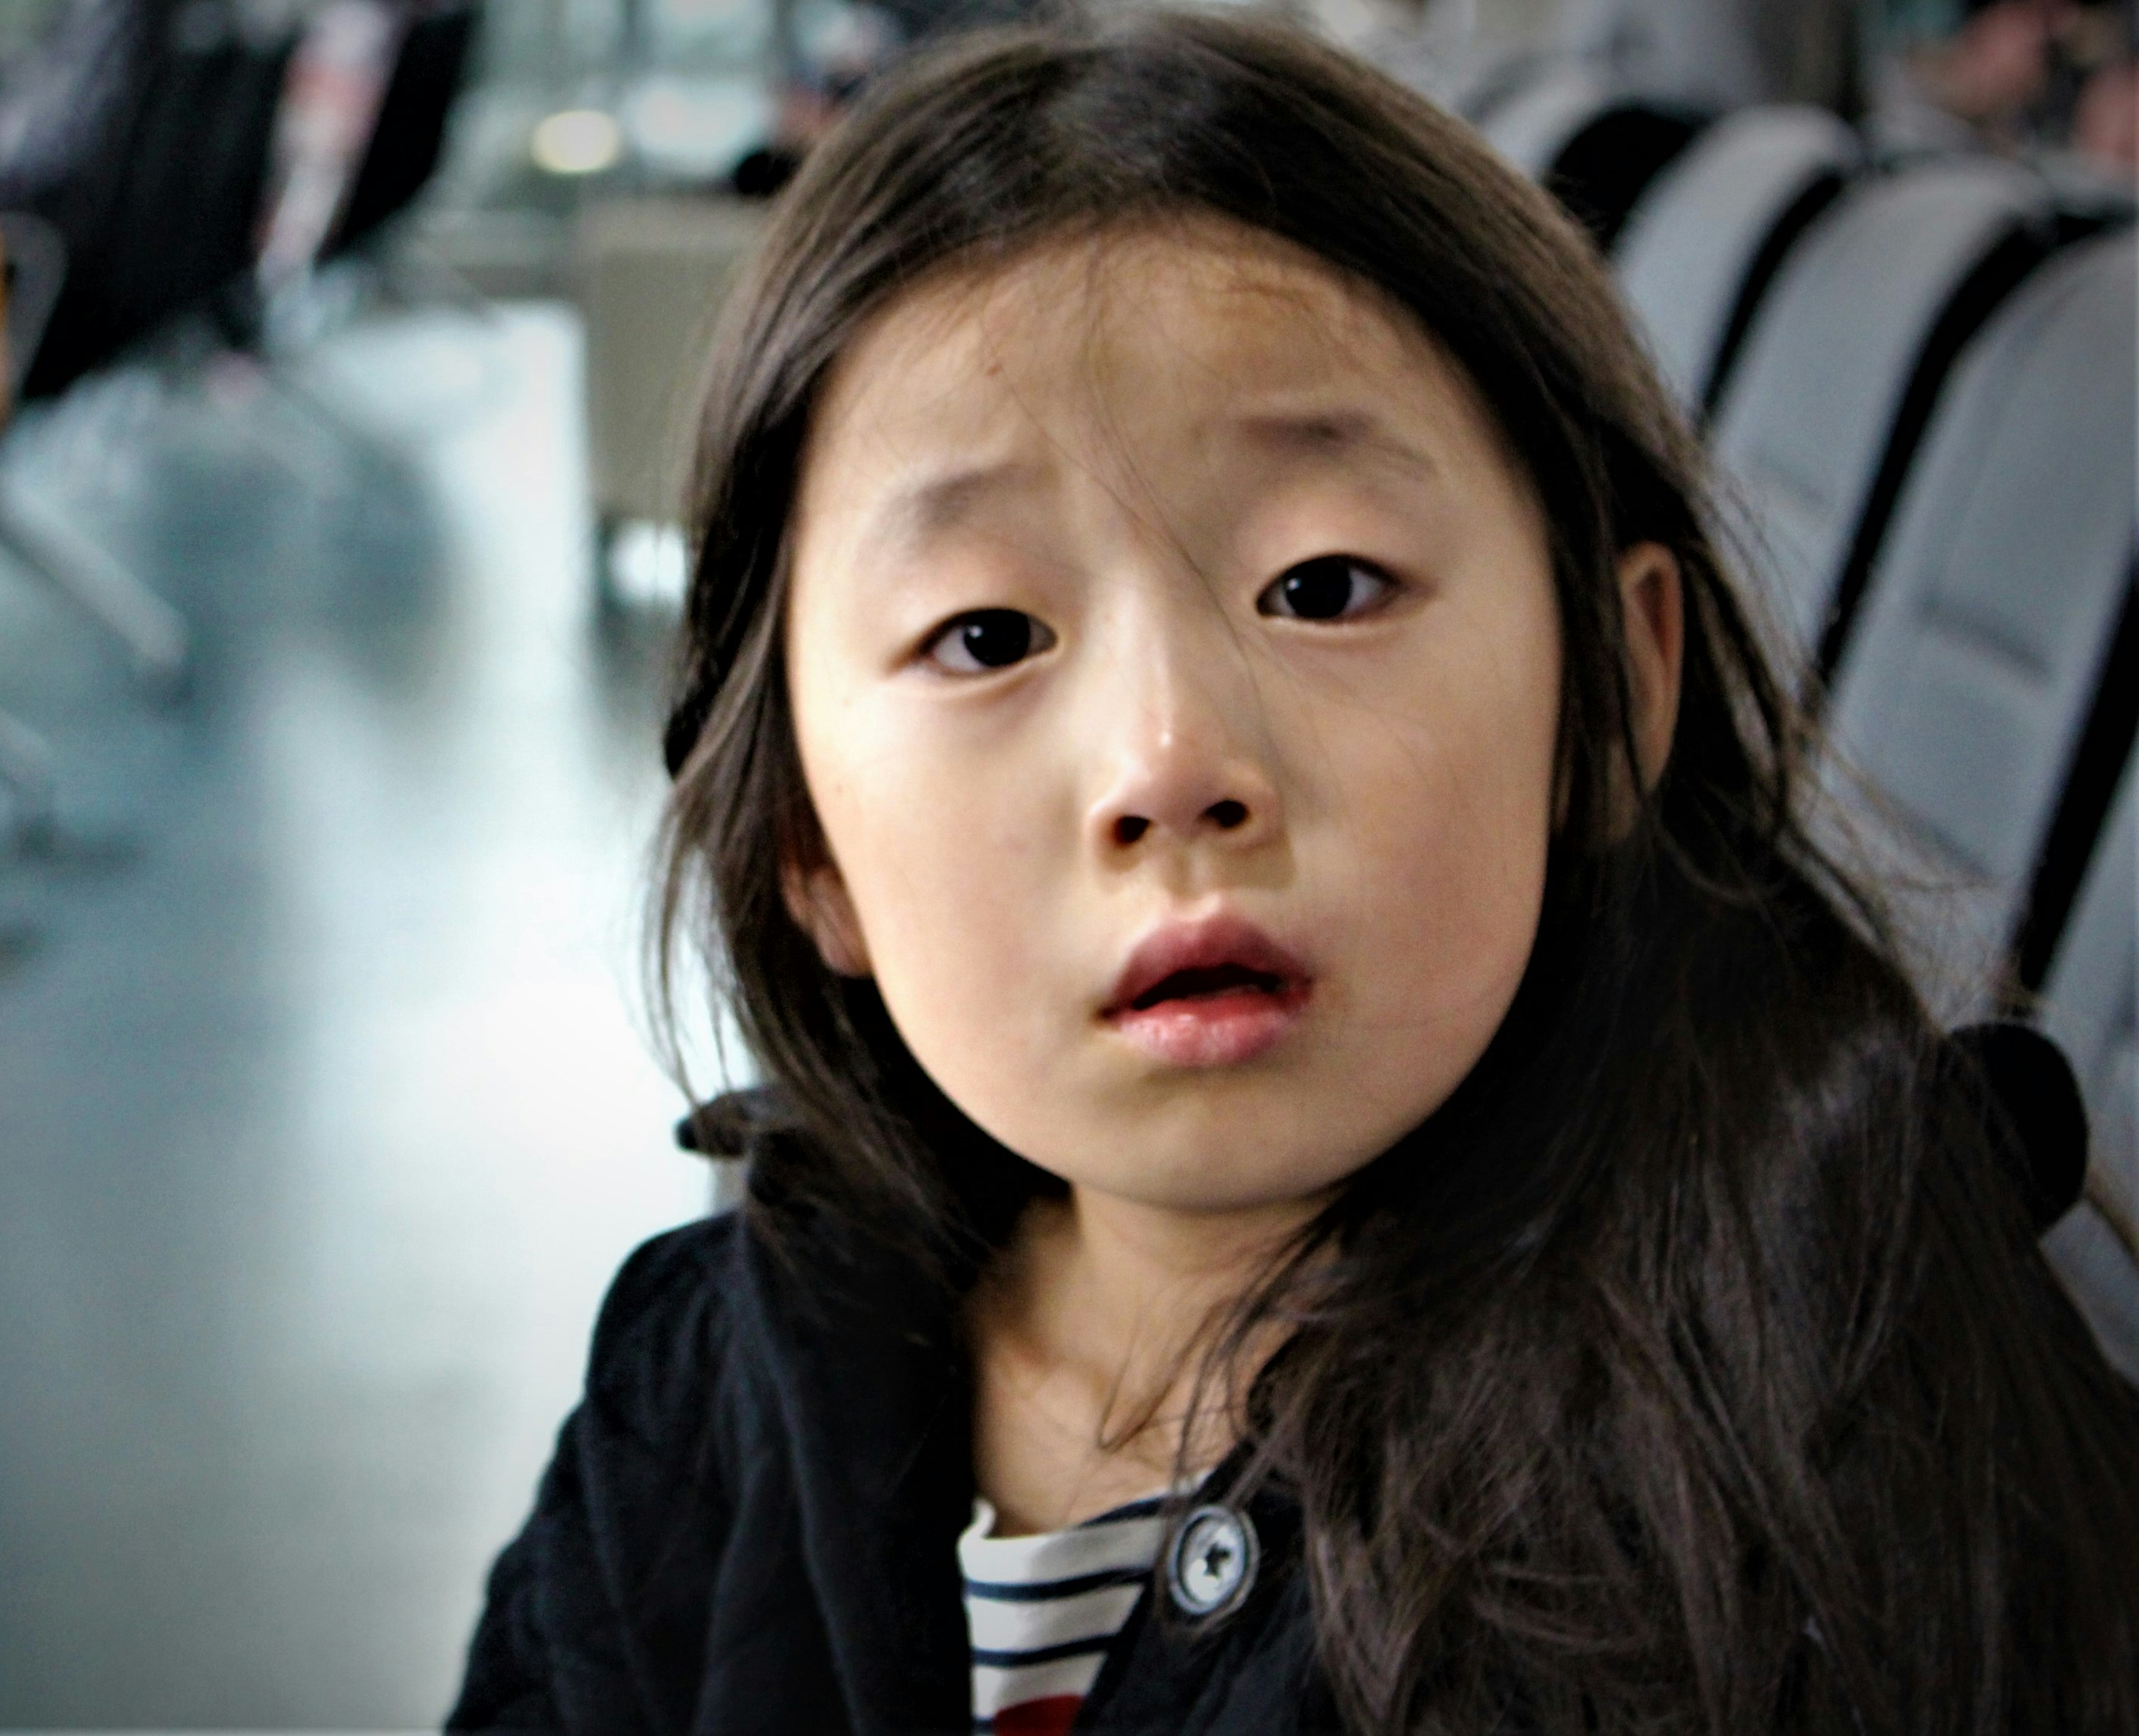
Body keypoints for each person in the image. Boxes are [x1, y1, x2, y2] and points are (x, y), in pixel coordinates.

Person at [450, 10, 2139, 1733]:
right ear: (808, 842)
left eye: (1324, 587)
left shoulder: (1848, 1416)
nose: (1171, 764)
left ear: (1618, 689)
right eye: (985, 633)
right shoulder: (702, 1390)